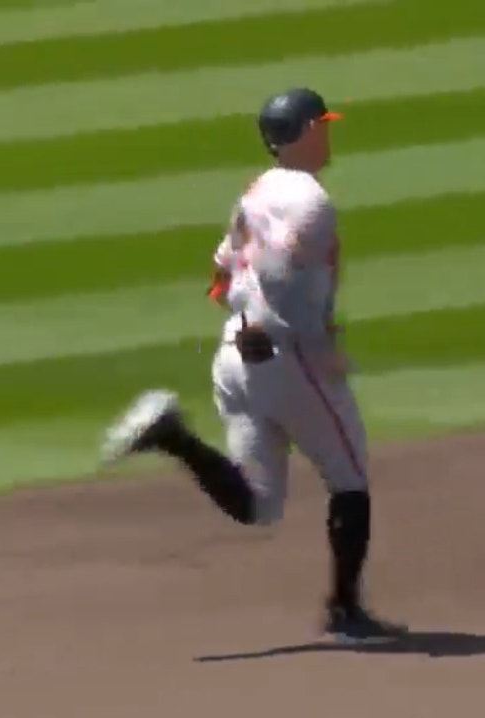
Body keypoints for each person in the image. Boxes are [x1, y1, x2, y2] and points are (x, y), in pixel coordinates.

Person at [101, 87, 406, 643]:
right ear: (306, 132)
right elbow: (282, 269)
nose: (328, 133)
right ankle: (345, 613)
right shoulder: (312, 202)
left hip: (235, 359)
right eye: (322, 125)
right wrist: (310, 339)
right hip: (287, 356)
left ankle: (172, 435)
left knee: (259, 505)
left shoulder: (259, 189)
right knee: (350, 480)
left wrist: (249, 315)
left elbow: (224, 266)